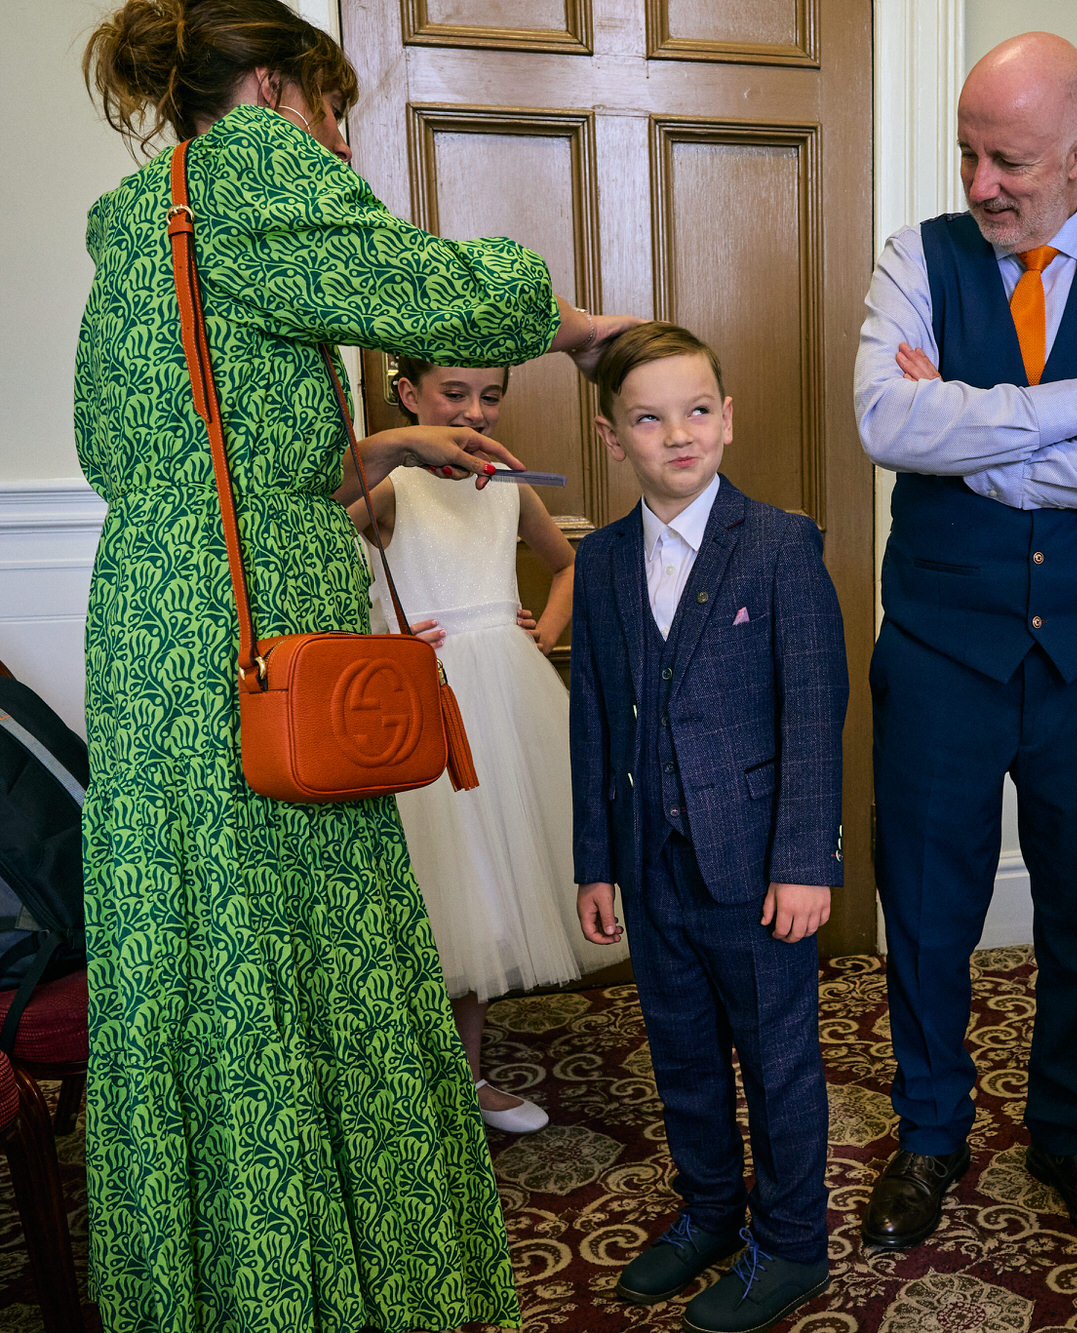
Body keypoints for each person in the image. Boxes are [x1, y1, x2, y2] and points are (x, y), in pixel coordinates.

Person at [74, 1, 640, 1325]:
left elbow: (181, 445)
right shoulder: (248, 164)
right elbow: (440, 292)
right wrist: (569, 320)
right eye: (335, 112)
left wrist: (373, 454)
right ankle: (325, 1284)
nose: (340, 145)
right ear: (281, 87)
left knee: (205, 949)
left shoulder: (145, 215)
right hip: (246, 619)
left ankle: (221, 1278)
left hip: (155, 618)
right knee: (304, 931)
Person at [852, 31, 1077, 1252]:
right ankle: (929, 1135)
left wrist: (985, 454)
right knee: (928, 906)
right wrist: (1072, 412)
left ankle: (1067, 1132)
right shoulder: (916, 258)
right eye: (968, 155)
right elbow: (887, 418)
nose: (981, 184)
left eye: (1008, 159)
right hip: (941, 653)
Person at [569, 323, 845, 1329]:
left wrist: (805, 860)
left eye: (695, 411)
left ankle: (793, 1241)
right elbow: (593, 716)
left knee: (776, 1061)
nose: (676, 434)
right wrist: (595, 860)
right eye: (648, 418)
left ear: (726, 421)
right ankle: (710, 1212)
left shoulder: (777, 545)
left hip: (758, 869)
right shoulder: (598, 564)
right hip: (649, 866)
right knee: (680, 1049)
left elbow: (814, 713)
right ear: (613, 439)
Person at [348, 358, 627, 1136]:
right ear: (409, 395)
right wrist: (382, 632)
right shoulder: (390, 488)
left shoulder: (505, 484)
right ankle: (404, 1086)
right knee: (432, 896)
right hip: (420, 703)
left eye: (491, 396)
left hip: (503, 699)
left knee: (483, 897)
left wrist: (546, 627)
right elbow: (308, 556)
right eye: (454, 395)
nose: (475, 412)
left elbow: (572, 564)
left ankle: (466, 1081)